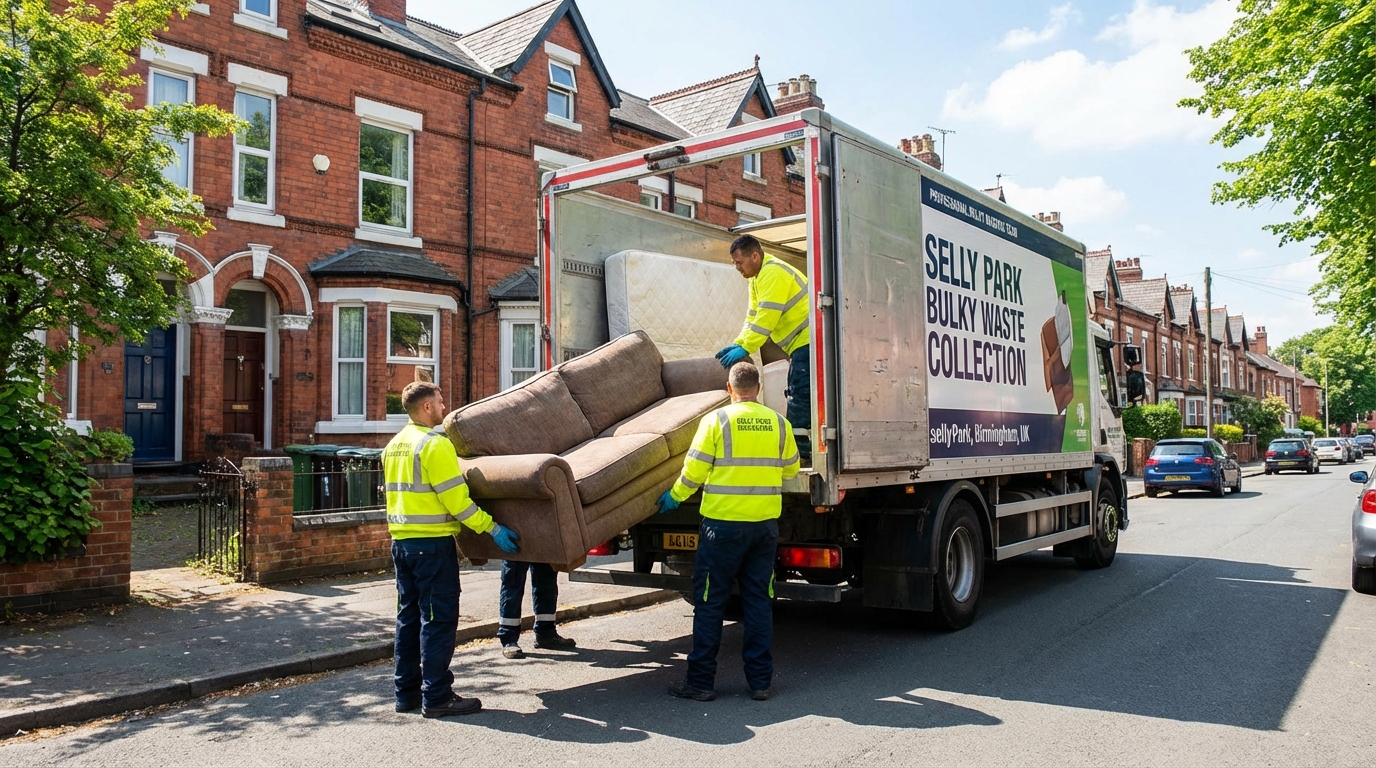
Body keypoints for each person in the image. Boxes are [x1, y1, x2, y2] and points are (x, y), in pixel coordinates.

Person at [656, 361, 800, 701]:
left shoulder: (716, 421)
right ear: (759, 389)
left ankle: (701, 683)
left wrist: (674, 497)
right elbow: (792, 468)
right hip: (763, 529)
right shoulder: (779, 423)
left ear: (728, 389)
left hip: (721, 529)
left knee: (709, 604)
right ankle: (761, 683)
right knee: (759, 603)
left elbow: (694, 471)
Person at [383, 381, 521, 718]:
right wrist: (493, 528)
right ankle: (438, 697)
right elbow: (458, 502)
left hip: (402, 545)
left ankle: (407, 694)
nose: (445, 408)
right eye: (441, 402)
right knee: (438, 620)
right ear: (426, 407)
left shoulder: (394, 445)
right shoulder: (434, 445)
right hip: (432, 546)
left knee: (408, 620)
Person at [716, 233, 812, 461]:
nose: (737, 268)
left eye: (739, 262)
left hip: (810, 338)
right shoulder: (756, 279)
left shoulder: (773, 273)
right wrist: (739, 344)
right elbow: (753, 317)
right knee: (798, 389)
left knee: (800, 392)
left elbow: (766, 319)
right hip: (801, 342)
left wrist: (746, 348)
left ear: (755, 256)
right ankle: (799, 446)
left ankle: (801, 450)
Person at [496, 560, 576, 658]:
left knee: (546, 582)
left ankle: (546, 633)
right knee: (513, 585)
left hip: (544, 546)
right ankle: (509, 640)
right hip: (517, 546)